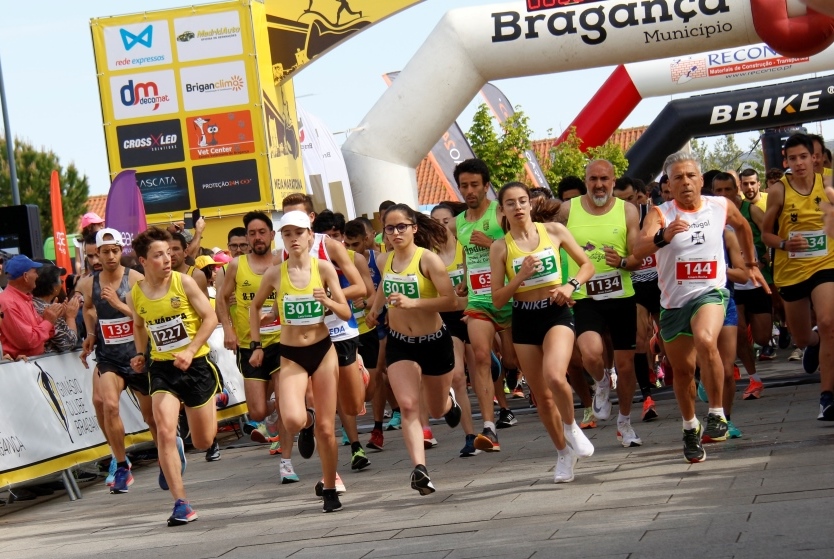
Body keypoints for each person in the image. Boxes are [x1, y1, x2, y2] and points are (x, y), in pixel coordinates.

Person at [634, 151, 765, 463]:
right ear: (669, 183)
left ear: (701, 180)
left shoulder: (719, 206)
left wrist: (752, 262)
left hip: (711, 292)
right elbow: (638, 249)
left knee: (707, 340)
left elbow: (744, 227)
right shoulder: (660, 213)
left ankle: (717, 414)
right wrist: (662, 237)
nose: (686, 182)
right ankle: (690, 427)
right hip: (673, 303)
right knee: (682, 371)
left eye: (691, 176)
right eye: (677, 177)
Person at [490, 182, 595, 482]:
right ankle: (563, 453)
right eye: (511, 203)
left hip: (556, 312)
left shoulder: (553, 232)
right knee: (542, 397)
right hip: (524, 318)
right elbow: (498, 298)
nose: (518, 207)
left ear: (530, 204)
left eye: (523, 201)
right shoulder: (500, 247)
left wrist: (569, 286)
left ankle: (572, 426)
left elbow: (586, 265)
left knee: (554, 375)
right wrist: (520, 275)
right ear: (503, 210)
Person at [249, 211, 350, 512]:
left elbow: (345, 312)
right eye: (287, 233)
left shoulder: (323, 268)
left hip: (322, 351)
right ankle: (305, 424)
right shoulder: (275, 273)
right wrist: (255, 344)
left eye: (298, 232)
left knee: (328, 428)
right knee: (292, 421)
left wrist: (328, 300)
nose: (293, 238)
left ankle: (329, 487)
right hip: (290, 354)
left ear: (310, 236)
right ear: (282, 238)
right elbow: (255, 307)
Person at [126, 227, 220, 526]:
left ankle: (207, 411)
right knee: (164, 430)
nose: (167, 259)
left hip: (196, 365)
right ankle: (181, 504)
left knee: (204, 441)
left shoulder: (185, 282)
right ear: (143, 261)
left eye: (168, 253)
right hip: (163, 369)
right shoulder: (136, 294)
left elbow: (211, 317)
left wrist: (191, 350)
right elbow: (140, 326)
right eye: (159, 255)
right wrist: (141, 353)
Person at [366, 204, 462, 495]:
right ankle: (420, 470)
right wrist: (374, 309)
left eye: (401, 227)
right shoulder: (385, 260)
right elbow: (384, 285)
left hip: (433, 342)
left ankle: (449, 402)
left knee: (434, 408)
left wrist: (414, 303)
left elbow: (451, 302)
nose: (396, 233)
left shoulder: (428, 260)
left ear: (414, 228)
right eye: (390, 228)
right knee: (408, 405)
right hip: (400, 343)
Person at [557, 159, 643, 448]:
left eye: (604, 179)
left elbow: (636, 257)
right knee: (590, 354)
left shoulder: (627, 210)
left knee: (627, 366)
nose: (598, 185)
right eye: (593, 179)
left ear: (613, 180)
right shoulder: (568, 210)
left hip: (621, 295)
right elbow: (548, 243)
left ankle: (625, 423)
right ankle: (602, 382)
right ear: (586, 180)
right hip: (585, 296)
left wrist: (620, 262)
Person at [282, 194, 369, 477]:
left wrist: (328, 297)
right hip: (305, 336)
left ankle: (359, 371)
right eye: (286, 222)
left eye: (298, 219)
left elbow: (360, 287)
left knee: (353, 404)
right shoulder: (282, 252)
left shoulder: (329, 246)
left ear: (310, 220)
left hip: (339, 327)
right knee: (312, 396)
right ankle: (338, 450)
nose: (292, 229)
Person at [77, 228, 159, 493]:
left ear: (121, 251)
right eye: (105, 252)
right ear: (97, 255)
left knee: (151, 417)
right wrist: (91, 333)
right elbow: (88, 307)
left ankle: (168, 456)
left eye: (115, 251)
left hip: (137, 355)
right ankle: (122, 465)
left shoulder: (135, 278)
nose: (111, 256)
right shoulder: (90, 283)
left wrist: (119, 303)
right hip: (109, 357)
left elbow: (144, 315)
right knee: (109, 405)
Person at [215, 212, 297, 478]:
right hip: (251, 344)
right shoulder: (237, 266)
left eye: (262, 232)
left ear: (272, 235)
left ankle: (286, 462)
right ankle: (271, 416)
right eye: (252, 233)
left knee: (286, 403)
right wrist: (228, 329)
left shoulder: (283, 262)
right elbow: (221, 299)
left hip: (283, 341)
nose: (257, 237)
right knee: (258, 410)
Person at [761, 133, 834, 420]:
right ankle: (811, 343)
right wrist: (783, 243)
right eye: (793, 159)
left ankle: (827, 397)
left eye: (804, 157)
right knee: (803, 335)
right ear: (786, 161)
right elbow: (766, 234)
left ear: (814, 157)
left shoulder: (827, 181)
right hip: (791, 270)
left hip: (825, 262)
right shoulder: (779, 191)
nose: (800, 163)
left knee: (829, 322)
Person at [452, 159, 519, 453]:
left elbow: (518, 243)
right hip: (479, 298)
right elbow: (468, 254)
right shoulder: (459, 221)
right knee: (480, 356)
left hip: (510, 294)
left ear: (486, 186)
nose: (469, 190)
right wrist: (466, 280)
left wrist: (492, 240)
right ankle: (489, 427)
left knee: (514, 360)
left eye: (474, 185)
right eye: (464, 185)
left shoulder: (499, 211)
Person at [712, 174, 772, 399]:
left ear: (736, 189)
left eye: (728, 189)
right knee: (737, 334)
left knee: (762, 338)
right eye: (719, 191)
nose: (724, 195)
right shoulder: (710, 214)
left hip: (754, 279)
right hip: (729, 282)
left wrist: (765, 260)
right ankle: (754, 379)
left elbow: (769, 234)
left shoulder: (751, 211)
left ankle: (750, 334)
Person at [430, 202, 479, 456]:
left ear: (455, 222)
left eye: (446, 220)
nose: (441, 226)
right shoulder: (428, 255)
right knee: (459, 376)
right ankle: (470, 435)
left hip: (474, 313)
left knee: (486, 368)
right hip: (446, 320)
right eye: (436, 221)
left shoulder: (466, 248)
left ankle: (492, 362)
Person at [0, 255, 61, 359]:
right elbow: (27, 341)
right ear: (25, 276)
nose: (37, 276)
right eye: (34, 272)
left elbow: (42, 335)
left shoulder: (25, 298)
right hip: (19, 370)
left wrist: (52, 318)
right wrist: (48, 321)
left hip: (30, 365)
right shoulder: (8, 303)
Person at [32, 265, 80, 353]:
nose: (62, 282)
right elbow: (69, 343)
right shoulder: (50, 311)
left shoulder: (29, 304)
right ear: (53, 288)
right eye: (60, 280)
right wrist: (70, 317)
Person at [169, 233, 209, 298]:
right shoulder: (159, 277)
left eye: (176, 249)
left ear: (185, 252)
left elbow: (206, 306)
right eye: (168, 250)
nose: (171, 254)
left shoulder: (196, 275)